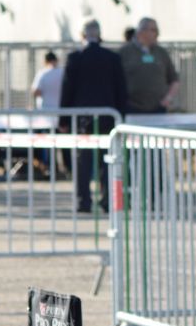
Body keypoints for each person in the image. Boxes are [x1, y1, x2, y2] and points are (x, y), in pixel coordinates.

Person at [60, 18, 126, 213]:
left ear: (82, 35)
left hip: (83, 117)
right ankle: (108, 200)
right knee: (109, 159)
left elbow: (67, 90)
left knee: (83, 161)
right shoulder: (112, 58)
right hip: (109, 116)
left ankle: (83, 201)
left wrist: (63, 119)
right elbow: (121, 89)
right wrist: (122, 117)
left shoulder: (75, 58)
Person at [119, 16, 179, 115]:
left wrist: (168, 99)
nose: (157, 34)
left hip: (158, 109)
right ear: (141, 32)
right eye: (154, 30)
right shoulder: (124, 52)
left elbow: (174, 80)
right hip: (132, 109)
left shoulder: (161, 53)